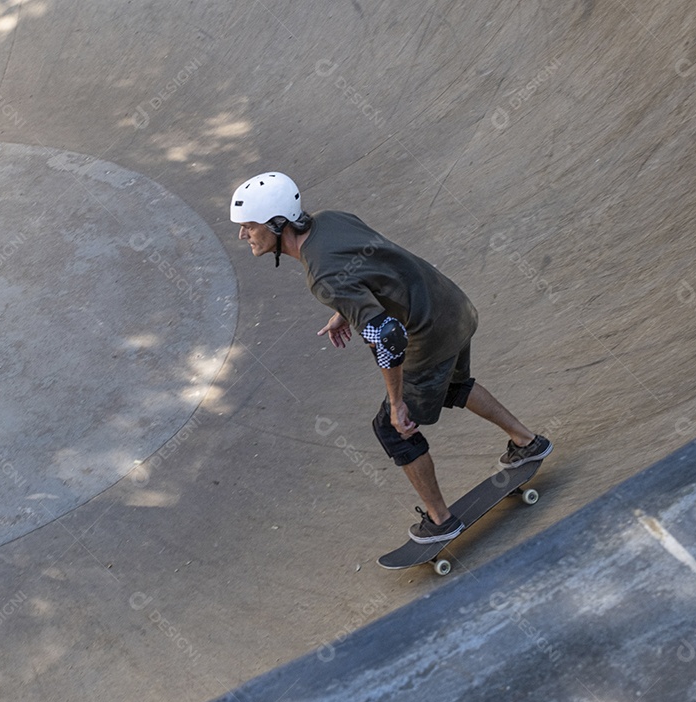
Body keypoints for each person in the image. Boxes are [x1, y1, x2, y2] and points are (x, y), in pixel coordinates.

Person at [229, 172, 552, 543]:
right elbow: (379, 265)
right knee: (451, 384)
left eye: (249, 226)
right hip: (451, 305)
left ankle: (441, 521)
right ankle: (527, 442)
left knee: (392, 429)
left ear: (276, 223)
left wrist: (397, 404)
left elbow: (388, 338)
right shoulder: (330, 219)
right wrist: (347, 310)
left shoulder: (322, 275)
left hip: (427, 332)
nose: (243, 235)